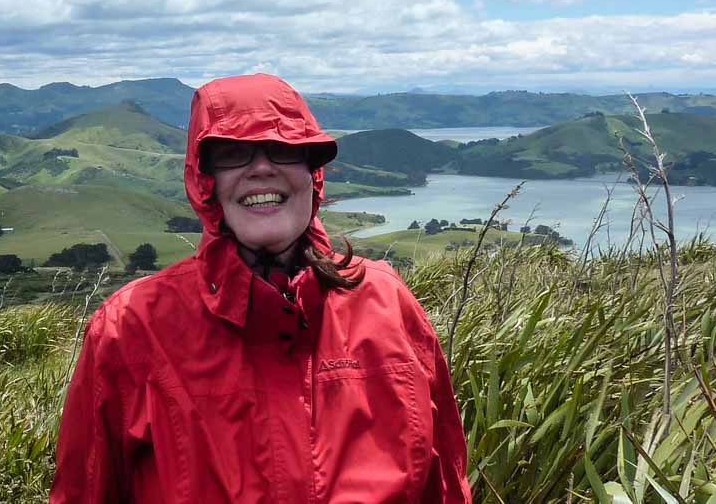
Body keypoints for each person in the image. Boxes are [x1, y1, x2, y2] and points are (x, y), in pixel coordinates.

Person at [49, 72, 472, 503]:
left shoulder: (386, 300)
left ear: (313, 173)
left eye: (285, 149)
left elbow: (445, 482)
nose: (263, 168)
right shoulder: (133, 327)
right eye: (232, 153)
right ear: (204, 181)